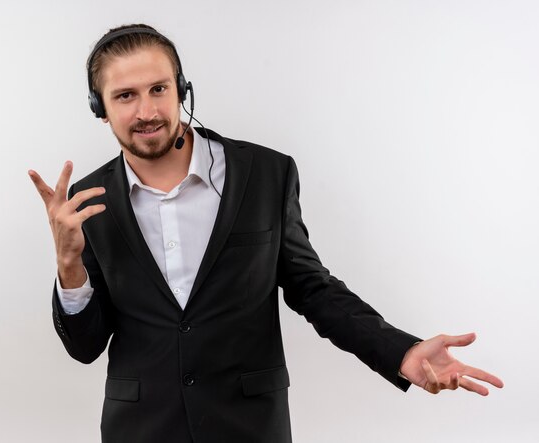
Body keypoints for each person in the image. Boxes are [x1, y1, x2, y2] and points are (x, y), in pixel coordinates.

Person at [28, 24, 503, 443]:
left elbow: (313, 289)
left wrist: (401, 351)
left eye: (158, 88)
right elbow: (84, 347)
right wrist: (69, 265)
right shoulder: (86, 202)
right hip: (140, 428)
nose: (147, 110)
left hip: (248, 424)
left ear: (182, 90)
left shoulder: (264, 174)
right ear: (101, 108)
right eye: (125, 96)